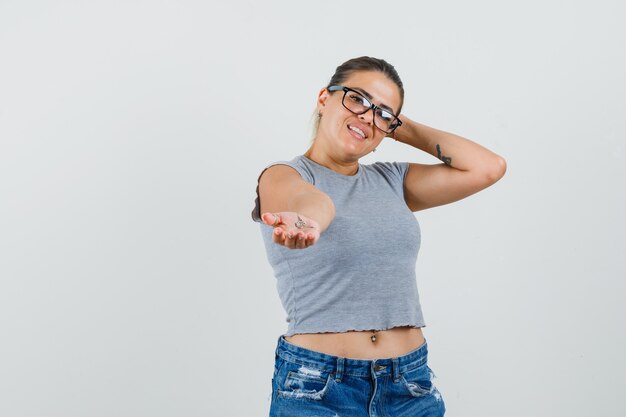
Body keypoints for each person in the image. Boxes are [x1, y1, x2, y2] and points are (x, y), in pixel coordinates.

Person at [251, 56, 506, 417]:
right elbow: (312, 202)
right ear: (324, 98)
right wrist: (312, 221)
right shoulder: (282, 175)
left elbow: (488, 167)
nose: (367, 116)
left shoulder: (393, 181)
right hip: (318, 387)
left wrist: (392, 123)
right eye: (357, 98)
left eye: (383, 113)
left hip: (409, 385)